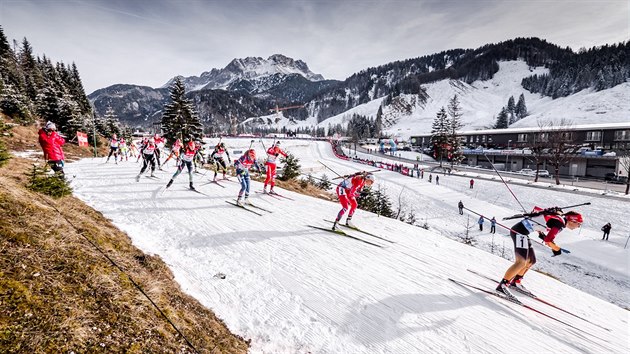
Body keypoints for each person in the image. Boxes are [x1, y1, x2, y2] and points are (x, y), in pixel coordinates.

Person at [495, 207, 583, 300]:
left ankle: (516, 282)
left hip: (522, 233)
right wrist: (557, 249)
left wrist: (542, 234)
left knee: (531, 261)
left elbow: (540, 218)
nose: (578, 226)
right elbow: (548, 241)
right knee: (521, 262)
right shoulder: (560, 223)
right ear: (572, 221)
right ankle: (503, 285)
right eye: (579, 224)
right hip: (519, 233)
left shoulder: (558, 218)